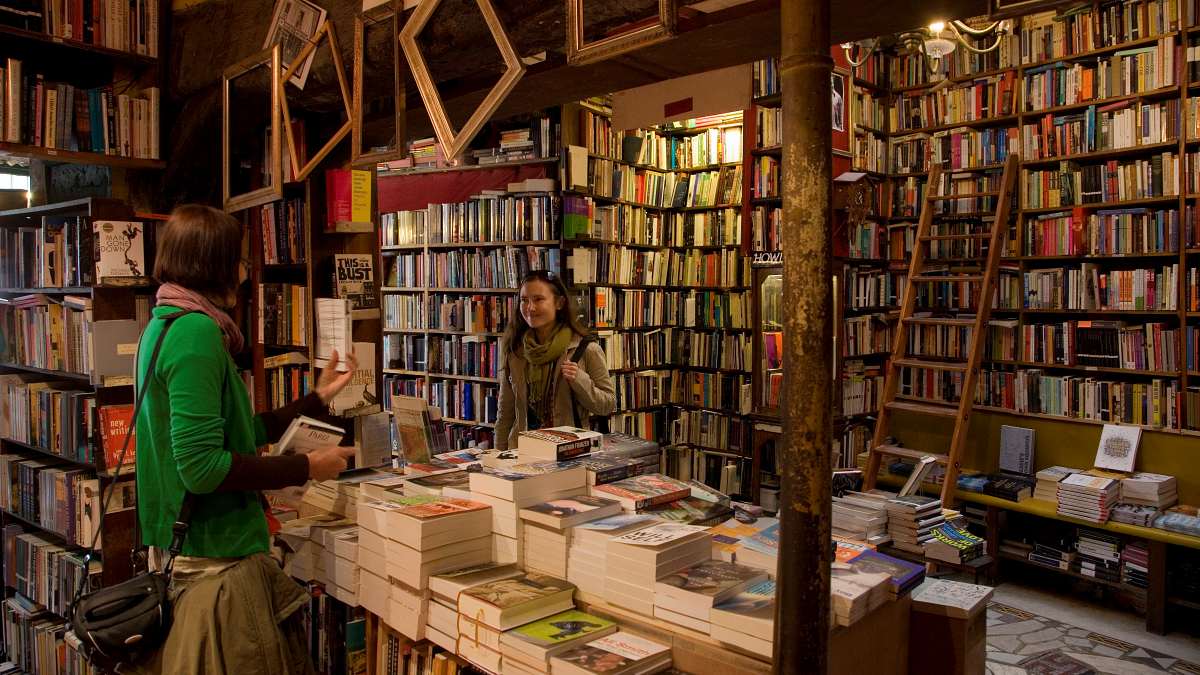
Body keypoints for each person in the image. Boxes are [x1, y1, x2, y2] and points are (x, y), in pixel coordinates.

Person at [133, 204, 357, 675]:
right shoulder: (195, 333)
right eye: (238, 260)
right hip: (214, 556)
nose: (242, 273)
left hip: (202, 547)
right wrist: (306, 468)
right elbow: (201, 467)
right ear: (213, 265)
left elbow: (238, 433)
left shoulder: (167, 322)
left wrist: (315, 399)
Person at [496, 270, 615, 451]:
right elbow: (505, 414)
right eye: (524, 300)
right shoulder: (516, 351)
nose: (530, 308)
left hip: (568, 453)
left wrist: (580, 380)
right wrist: (499, 455)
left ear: (559, 303)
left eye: (538, 299)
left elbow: (607, 405)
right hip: (523, 453)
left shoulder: (585, 349)